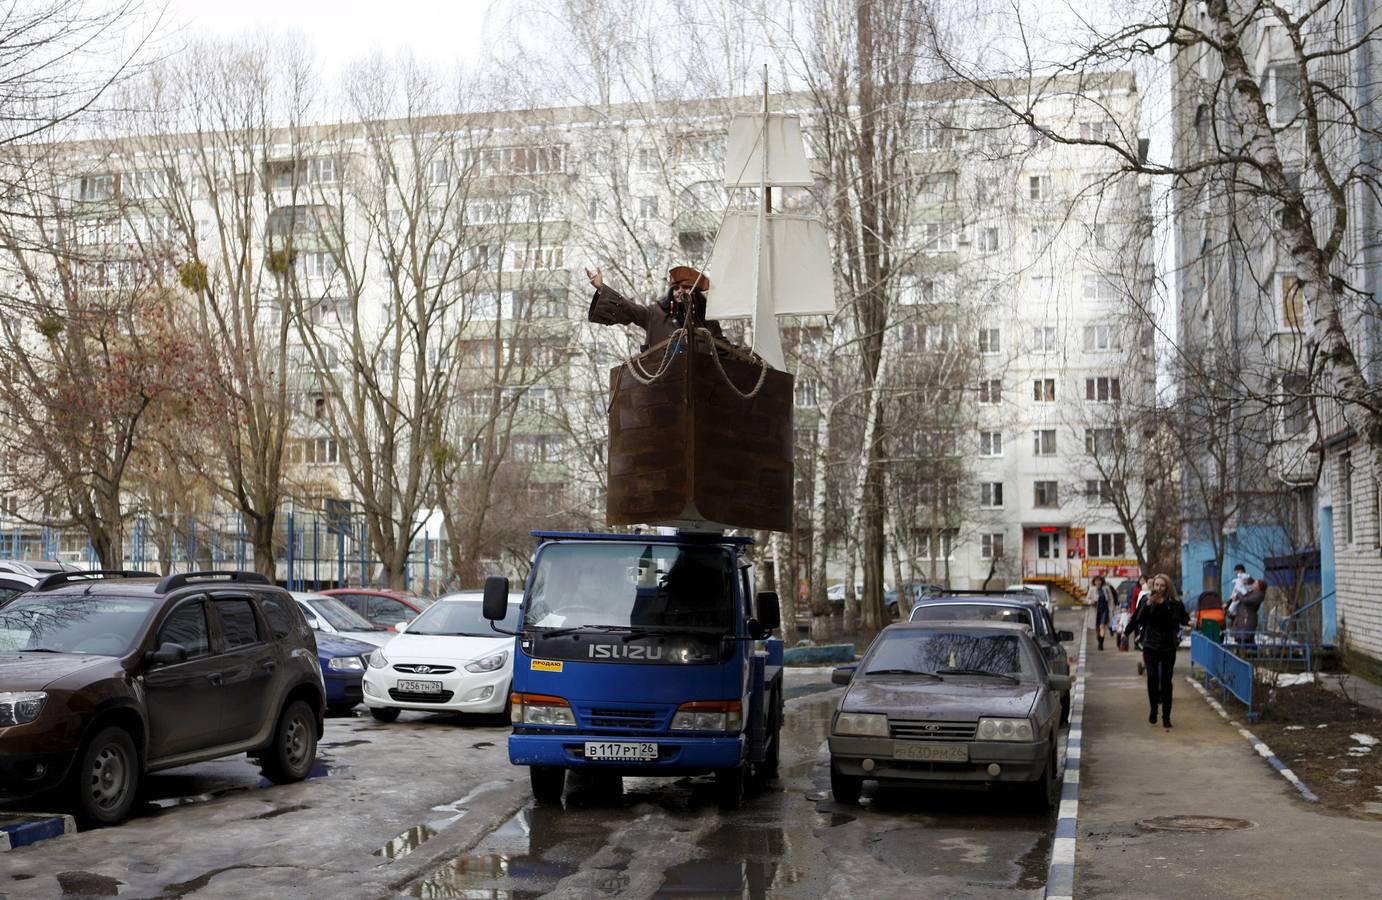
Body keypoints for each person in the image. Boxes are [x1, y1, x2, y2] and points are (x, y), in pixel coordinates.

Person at [585, 265, 725, 352]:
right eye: (676, 288)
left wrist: (746, 355)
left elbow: (724, 349)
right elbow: (629, 309)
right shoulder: (655, 314)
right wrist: (601, 288)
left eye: (685, 287)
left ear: (694, 291)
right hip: (661, 388)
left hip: (701, 387)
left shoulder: (707, 321)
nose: (679, 291)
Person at [1125, 572, 1190, 729]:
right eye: (1157, 585)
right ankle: (1154, 709)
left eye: (1162, 586)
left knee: (1166, 682)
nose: (1159, 588)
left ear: (1167, 588)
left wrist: (1163, 605)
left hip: (1168, 646)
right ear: (1152, 586)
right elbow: (1138, 619)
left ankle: (1166, 717)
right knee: (1152, 678)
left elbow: (1178, 621)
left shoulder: (1174, 603)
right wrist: (1126, 633)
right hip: (1150, 645)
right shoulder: (1146, 600)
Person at [1233, 578, 1267, 647]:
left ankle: (1253, 654)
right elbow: (1244, 596)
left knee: (1246, 639)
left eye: (1255, 583)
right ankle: (1247, 654)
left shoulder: (1259, 595)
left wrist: (1239, 593)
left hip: (1248, 620)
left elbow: (1246, 600)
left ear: (1259, 587)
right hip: (1242, 619)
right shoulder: (1251, 592)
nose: (1253, 584)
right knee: (1241, 639)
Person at [1088, 574, 1114, 651]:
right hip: (1095, 610)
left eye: (1099, 580)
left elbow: (1111, 599)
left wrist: (1111, 608)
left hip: (1104, 610)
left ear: (1102, 581)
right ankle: (1099, 639)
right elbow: (1087, 599)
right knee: (1097, 627)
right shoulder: (1092, 589)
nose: (1098, 582)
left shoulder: (1106, 588)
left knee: (1102, 626)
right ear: (1094, 582)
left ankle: (1101, 644)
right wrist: (1091, 601)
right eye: (1096, 581)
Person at [1226, 565, 1252, 638]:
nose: (1236, 573)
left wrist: (1234, 599)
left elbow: (1241, 592)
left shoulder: (1245, 579)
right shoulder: (1240, 580)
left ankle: (1236, 637)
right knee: (1234, 620)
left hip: (1240, 605)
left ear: (1241, 570)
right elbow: (1235, 592)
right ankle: (1234, 636)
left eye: (1237, 571)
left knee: (1237, 622)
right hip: (1236, 604)